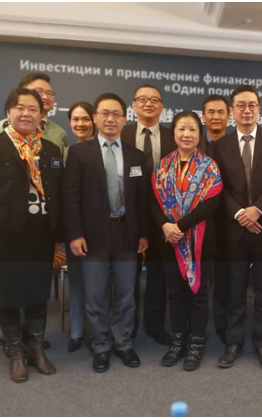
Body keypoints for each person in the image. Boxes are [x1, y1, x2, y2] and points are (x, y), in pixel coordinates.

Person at [0, 88, 63, 383]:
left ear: (41, 115)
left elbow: (58, 193)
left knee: (38, 291)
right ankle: (16, 352)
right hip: (7, 232)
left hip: (41, 232)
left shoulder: (50, 149)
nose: (26, 113)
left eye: (33, 109)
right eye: (19, 107)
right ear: (9, 112)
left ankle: (36, 347)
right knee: (8, 292)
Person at [64, 93, 149, 373]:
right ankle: (100, 345)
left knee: (126, 294)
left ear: (125, 119)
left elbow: (141, 200)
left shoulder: (136, 155)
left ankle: (123, 343)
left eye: (116, 114)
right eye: (105, 113)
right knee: (95, 295)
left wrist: (143, 234)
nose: (110, 119)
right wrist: (75, 234)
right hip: (92, 236)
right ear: (95, 118)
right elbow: (70, 198)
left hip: (127, 234)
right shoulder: (79, 153)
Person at [214, 85, 262, 372]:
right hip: (235, 229)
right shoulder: (221, 144)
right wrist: (239, 213)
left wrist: (257, 210)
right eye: (240, 106)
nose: (247, 110)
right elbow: (219, 186)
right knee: (234, 289)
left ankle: (261, 342)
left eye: (252, 105)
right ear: (231, 111)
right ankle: (233, 343)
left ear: (259, 110)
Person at [150, 111, 223, 371]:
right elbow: (152, 202)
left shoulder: (210, 167)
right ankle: (178, 339)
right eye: (181, 129)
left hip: (200, 241)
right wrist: (165, 225)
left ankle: (197, 342)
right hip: (168, 241)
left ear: (199, 135)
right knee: (176, 293)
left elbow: (211, 204)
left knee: (198, 294)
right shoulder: (161, 167)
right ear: (174, 134)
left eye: (192, 129)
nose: (187, 134)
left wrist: (179, 226)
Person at [122, 84, 175, 345]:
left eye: (154, 100)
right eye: (142, 99)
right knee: (127, 273)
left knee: (158, 274)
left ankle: (154, 324)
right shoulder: (121, 134)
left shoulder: (172, 137)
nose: (148, 104)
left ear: (162, 107)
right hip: (127, 215)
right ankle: (127, 324)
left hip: (162, 217)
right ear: (133, 106)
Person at [65, 102, 96, 352]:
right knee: (76, 281)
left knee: (98, 284)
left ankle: (97, 331)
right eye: (75, 119)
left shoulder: (105, 149)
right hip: (75, 226)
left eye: (85, 119)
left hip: (100, 228)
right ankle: (76, 331)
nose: (80, 124)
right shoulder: (65, 151)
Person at [200, 94, 230, 344]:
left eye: (221, 112)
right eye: (211, 112)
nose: (216, 116)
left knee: (225, 277)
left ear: (229, 117)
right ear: (203, 117)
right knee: (197, 279)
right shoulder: (192, 144)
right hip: (198, 222)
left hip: (228, 222)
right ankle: (196, 327)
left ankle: (223, 324)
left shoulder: (235, 145)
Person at [0, 72, 67, 153]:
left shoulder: (60, 133)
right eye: (38, 92)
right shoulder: (3, 127)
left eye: (49, 93)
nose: (45, 97)